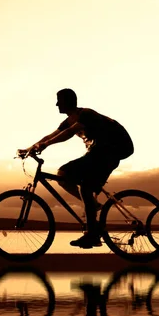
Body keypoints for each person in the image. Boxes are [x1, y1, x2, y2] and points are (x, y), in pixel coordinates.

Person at [22, 88, 134, 249]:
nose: (56, 104)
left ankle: (92, 233)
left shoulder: (85, 114)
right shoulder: (69, 120)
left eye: (59, 101)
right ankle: (93, 213)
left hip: (111, 151)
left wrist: (45, 145)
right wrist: (30, 148)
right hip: (99, 152)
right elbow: (50, 136)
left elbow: (69, 132)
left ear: (68, 101)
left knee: (77, 181)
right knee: (68, 177)